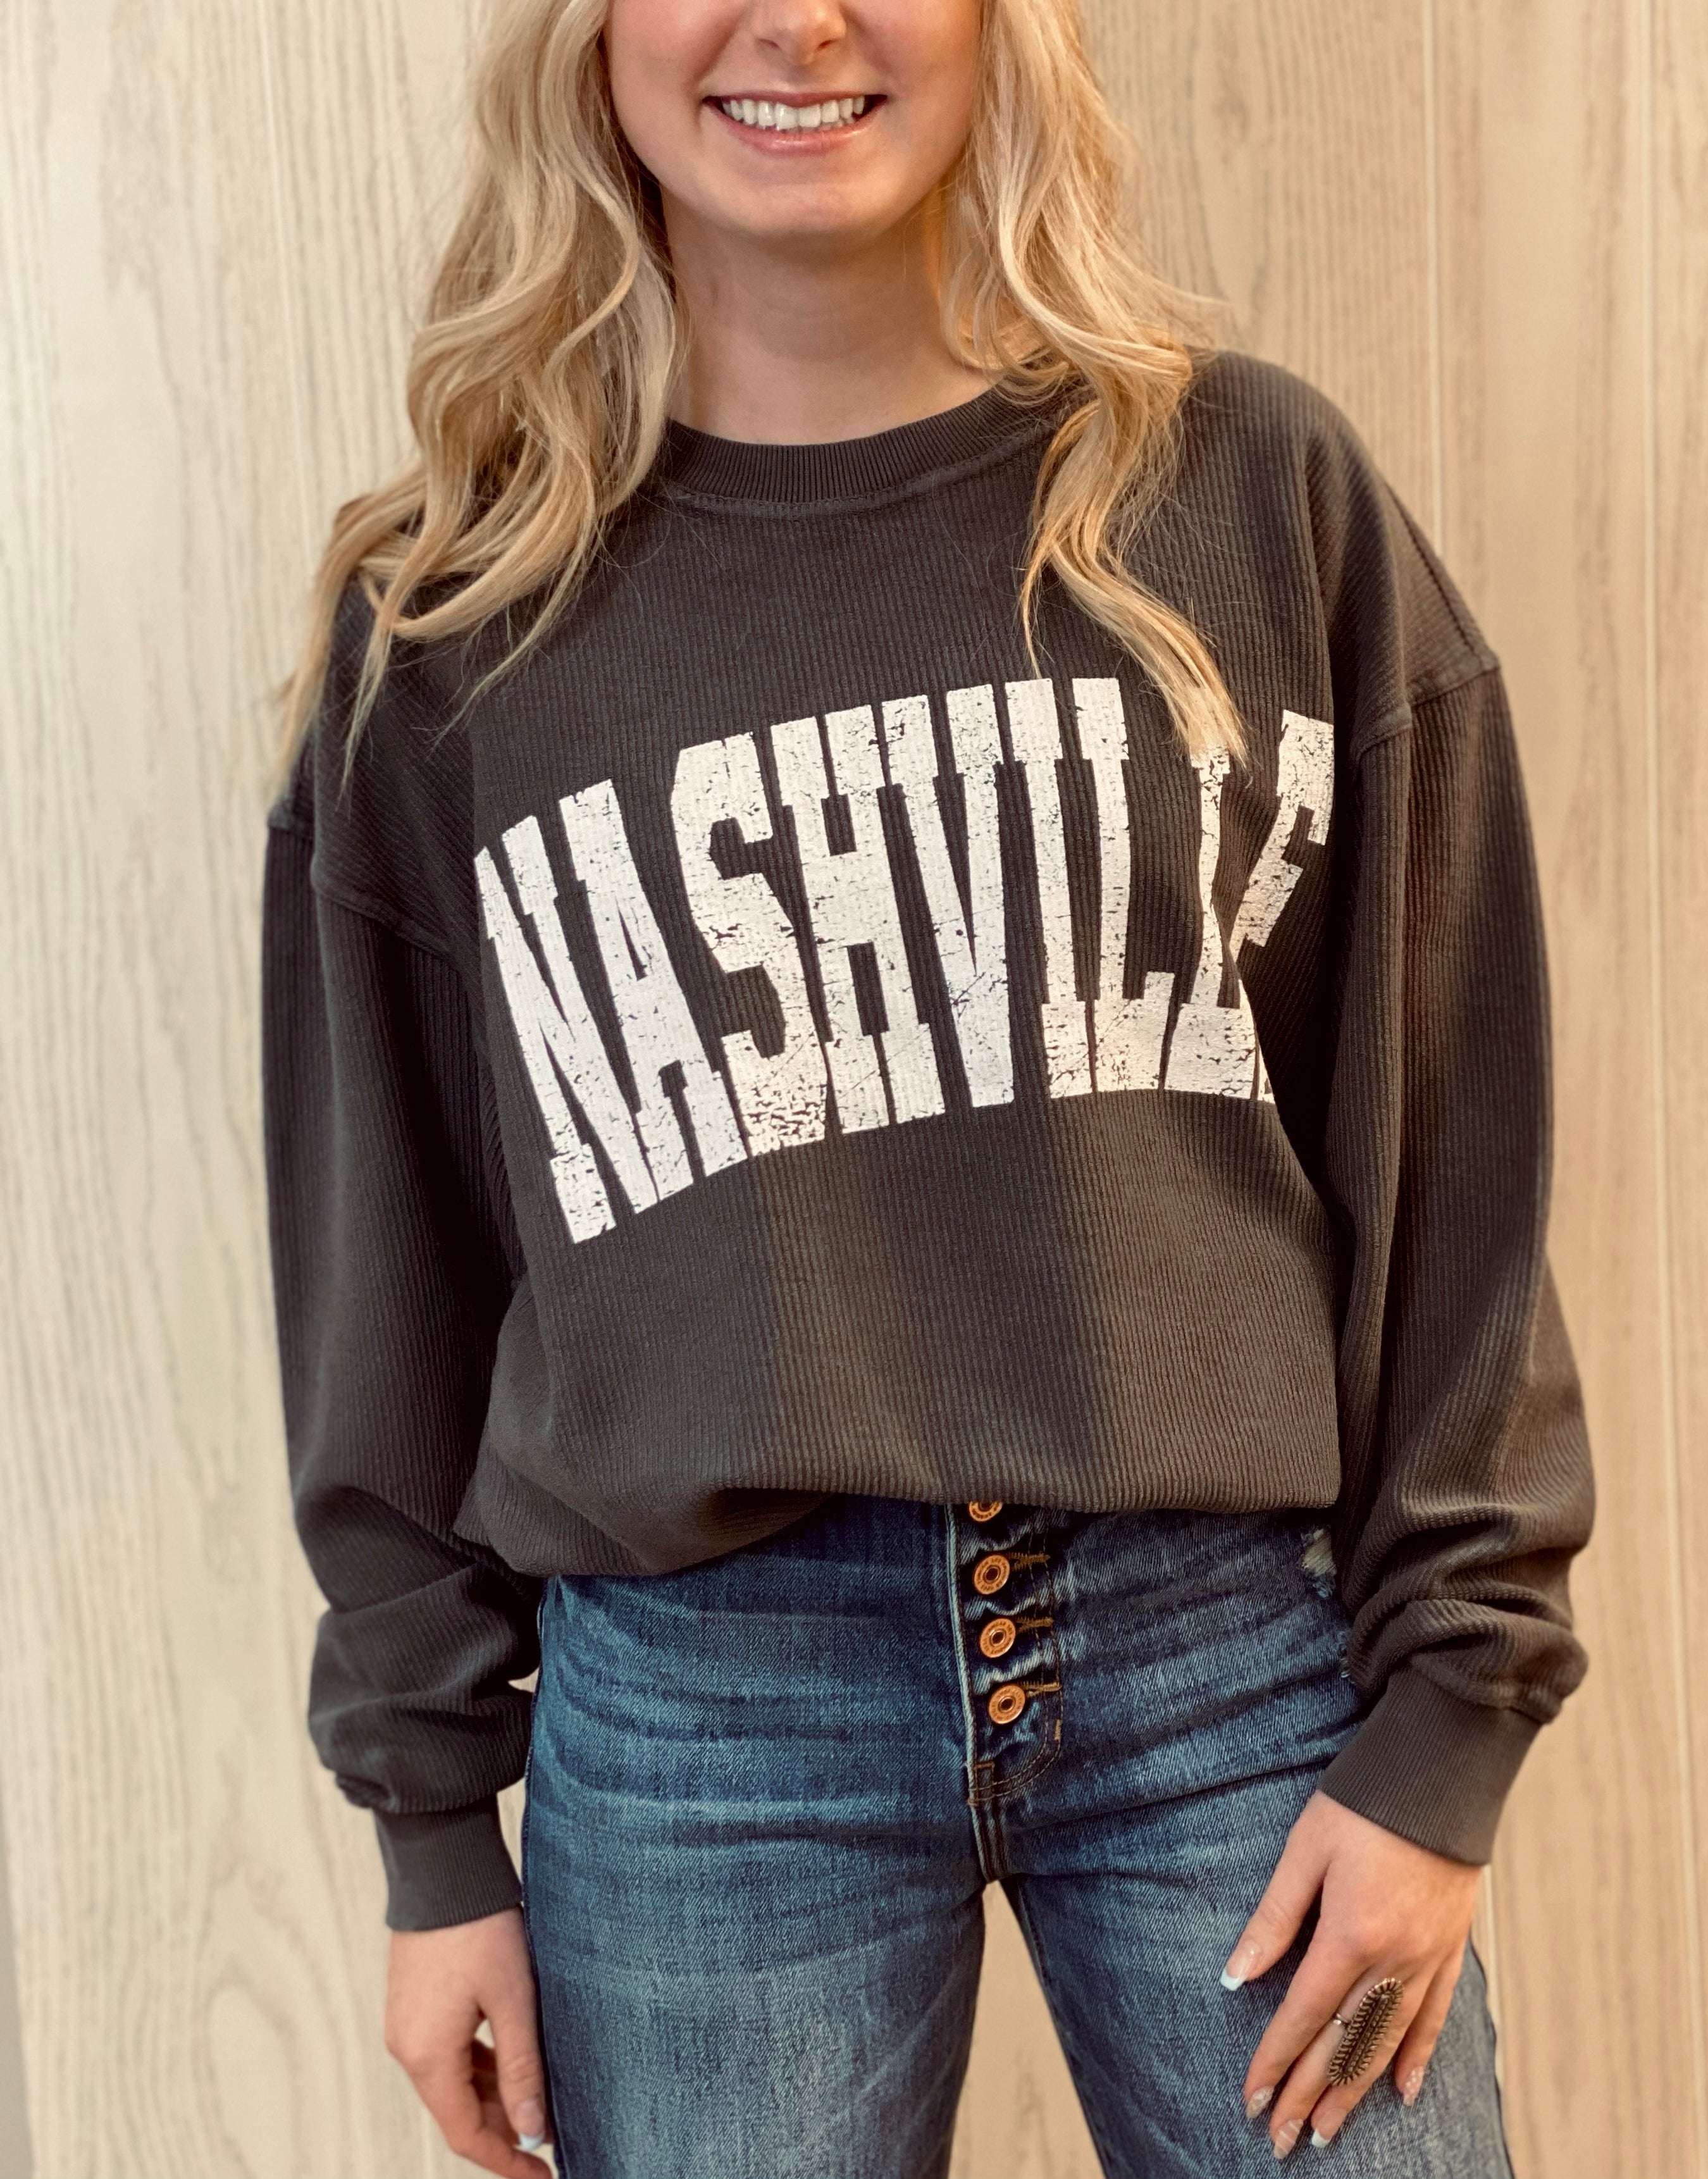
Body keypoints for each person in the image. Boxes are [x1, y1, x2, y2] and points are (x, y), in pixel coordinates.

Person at [261, 1, 1597, 2173]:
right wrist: (432, 1832)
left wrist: (1448, 1726)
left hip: (1228, 1665)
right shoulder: (452, 627)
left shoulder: (1252, 499)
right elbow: (382, 1264)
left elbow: (1450, 1149)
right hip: (703, 1713)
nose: (795, 22)